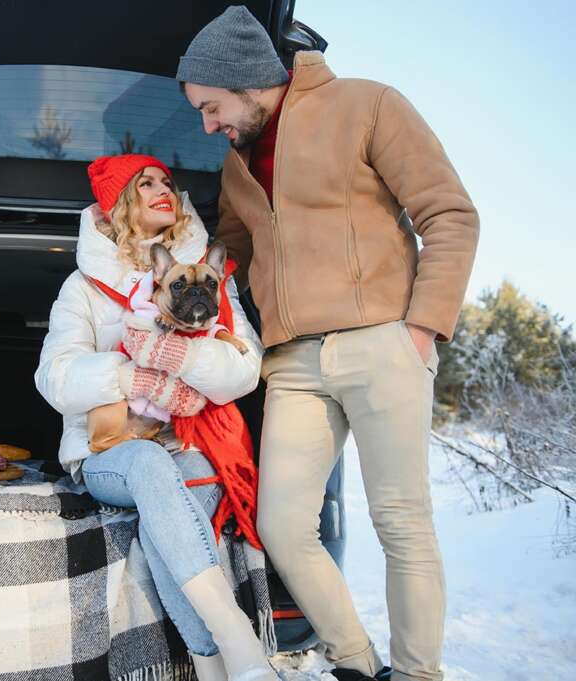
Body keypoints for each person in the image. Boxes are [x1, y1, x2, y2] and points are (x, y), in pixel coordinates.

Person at [175, 8, 480, 681]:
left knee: (401, 521)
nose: (207, 125)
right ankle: (355, 661)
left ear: (247, 81)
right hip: (293, 364)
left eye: (211, 106)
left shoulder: (366, 105)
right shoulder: (236, 167)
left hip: (382, 342)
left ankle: (417, 673)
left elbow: (450, 214)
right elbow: (231, 252)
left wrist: (422, 326)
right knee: (283, 527)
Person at [34, 154, 274, 681]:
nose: (164, 189)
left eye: (168, 181)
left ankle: (212, 669)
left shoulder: (210, 277)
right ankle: (240, 642)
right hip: (108, 453)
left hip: (189, 443)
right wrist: (128, 378)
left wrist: (181, 359)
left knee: (170, 521)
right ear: (120, 201)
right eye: (146, 184)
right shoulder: (84, 289)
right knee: (146, 463)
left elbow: (245, 369)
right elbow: (52, 379)